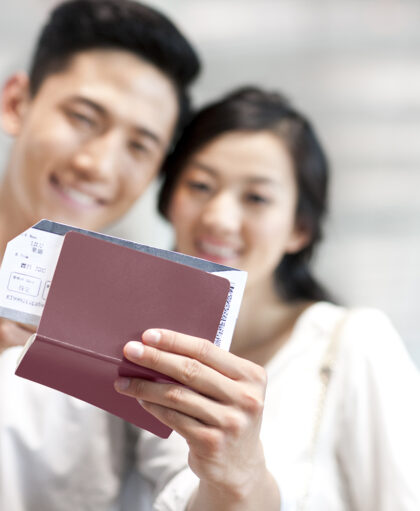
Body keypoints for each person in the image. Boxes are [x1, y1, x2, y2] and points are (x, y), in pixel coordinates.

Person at [114, 87, 420, 510]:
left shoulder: (354, 342)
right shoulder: (136, 348)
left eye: (256, 197)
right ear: (169, 201)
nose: (219, 217)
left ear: (300, 229)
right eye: (200, 185)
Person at [0, 1, 201, 509]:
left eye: (139, 146)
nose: (98, 165)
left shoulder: (144, 330)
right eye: (84, 118)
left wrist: (239, 473)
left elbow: (190, 487)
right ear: (16, 102)